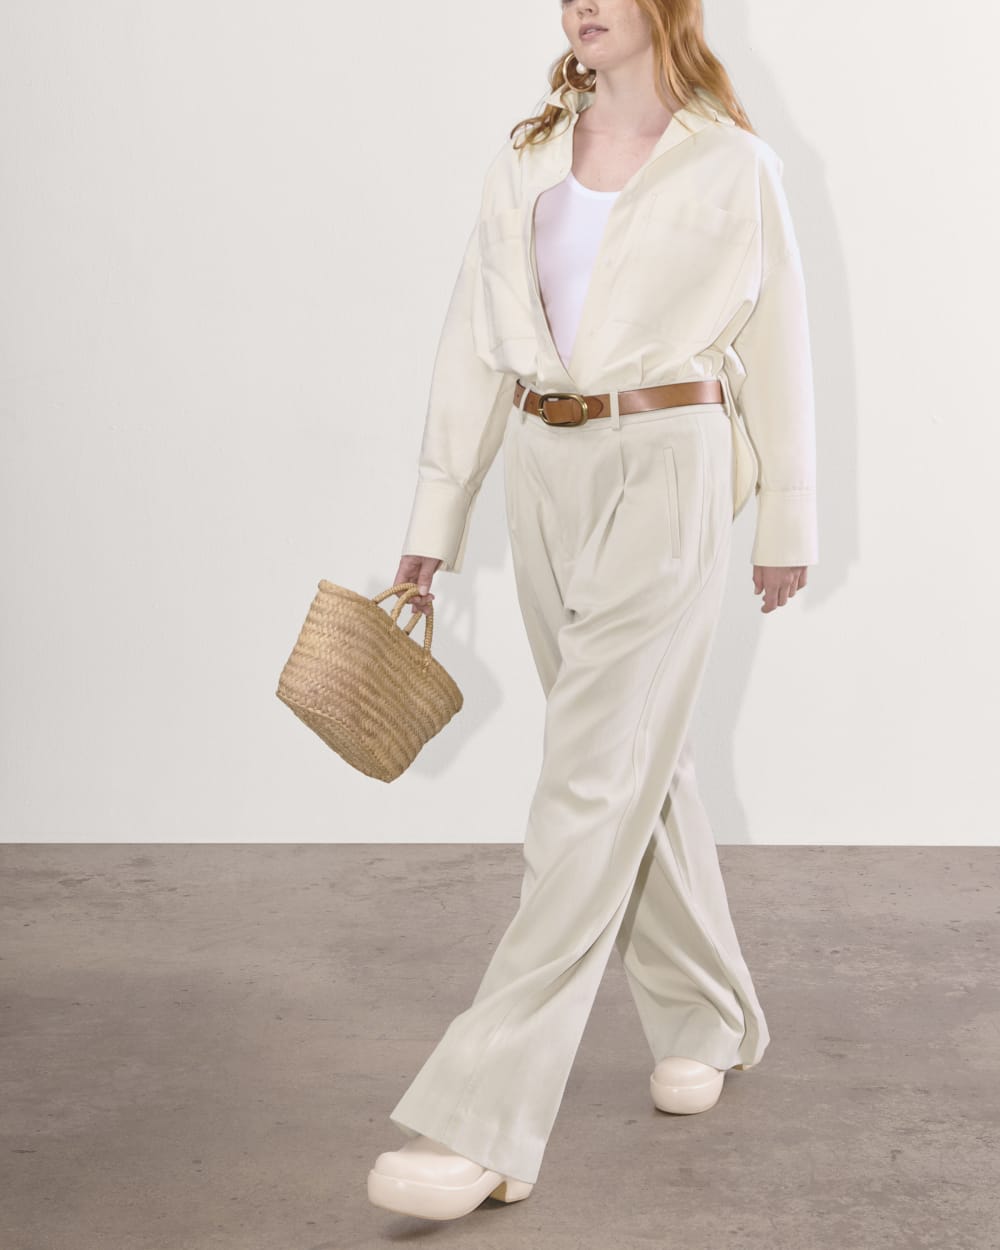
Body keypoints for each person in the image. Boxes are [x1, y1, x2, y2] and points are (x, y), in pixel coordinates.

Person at [368, 0, 817, 1222]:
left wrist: (785, 517)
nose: (583, 2)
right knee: (629, 761)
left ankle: (483, 1118)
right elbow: (474, 339)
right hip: (543, 466)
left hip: (670, 463)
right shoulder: (525, 156)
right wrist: (436, 514)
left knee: (585, 779)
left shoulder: (733, 163)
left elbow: (780, 338)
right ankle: (706, 1010)